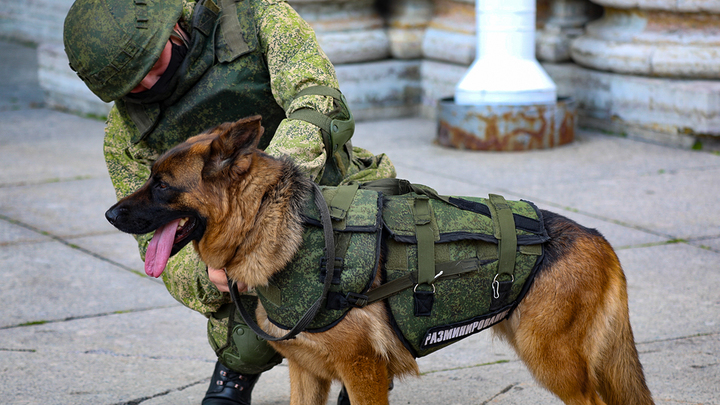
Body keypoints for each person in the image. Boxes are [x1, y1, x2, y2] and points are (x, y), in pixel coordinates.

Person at [62, 1, 395, 404]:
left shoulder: (254, 17)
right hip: (239, 249)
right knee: (252, 338)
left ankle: (369, 360)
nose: (148, 84)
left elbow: (319, 98)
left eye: (152, 64)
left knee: (375, 281)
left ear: (172, 28)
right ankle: (236, 368)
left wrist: (269, 200)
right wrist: (209, 273)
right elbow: (156, 245)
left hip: (332, 195)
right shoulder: (126, 136)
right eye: (131, 84)